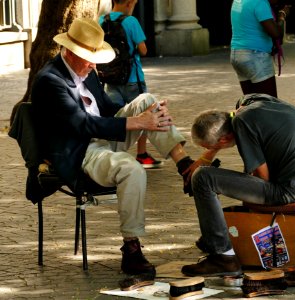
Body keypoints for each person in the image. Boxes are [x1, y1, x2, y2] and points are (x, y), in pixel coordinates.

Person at [31, 18, 195, 279]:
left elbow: (107, 111)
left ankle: (186, 167)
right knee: (131, 168)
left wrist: (148, 116)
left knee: (148, 101)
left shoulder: (88, 72)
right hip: (80, 150)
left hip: (103, 138)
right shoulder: (49, 81)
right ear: (70, 53)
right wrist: (137, 122)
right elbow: (82, 125)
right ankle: (131, 248)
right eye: (87, 58)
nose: (93, 65)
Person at [181, 94, 295, 277]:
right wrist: (206, 157)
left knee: (202, 177)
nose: (209, 151)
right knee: (239, 176)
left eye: (208, 147)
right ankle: (215, 236)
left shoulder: (242, 125)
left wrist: (210, 170)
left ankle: (223, 257)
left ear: (224, 140)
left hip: (293, 190)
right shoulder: (251, 101)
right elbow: (230, 125)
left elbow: (262, 177)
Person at [99, 0, 161, 169]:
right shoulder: (131, 21)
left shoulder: (101, 21)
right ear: (129, 3)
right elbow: (143, 50)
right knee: (144, 113)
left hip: (111, 78)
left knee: (116, 116)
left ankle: (115, 153)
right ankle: (141, 154)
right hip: (133, 78)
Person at [230, 0, 289, 98]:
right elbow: (276, 33)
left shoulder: (238, 1)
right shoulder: (259, 2)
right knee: (269, 104)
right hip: (255, 56)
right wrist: (282, 16)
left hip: (237, 55)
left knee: (251, 104)